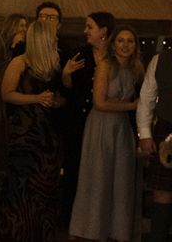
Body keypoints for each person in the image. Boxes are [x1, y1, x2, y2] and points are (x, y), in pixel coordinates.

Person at [69, 25, 144, 242]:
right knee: (98, 177)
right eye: (121, 40)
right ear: (113, 43)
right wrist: (132, 106)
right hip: (101, 126)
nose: (125, 45)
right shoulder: (104, 66)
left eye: (130, 41)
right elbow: (100, 102)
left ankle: (117, 230)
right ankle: (92, 229)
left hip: (121, 127)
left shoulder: (137, 68)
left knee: (121, 179)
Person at [0, 20, 65, 242]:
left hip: (48, 139)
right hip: (25, 137)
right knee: (21, 191)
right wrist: (35, 98)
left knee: (45, 192)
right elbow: (6, 94)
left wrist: (56, 101)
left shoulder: (55, 65)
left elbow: (63, 99)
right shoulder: (20, 62)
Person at [60, 11, 114, 224]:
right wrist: (66, 74)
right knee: (75, 169)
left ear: (104, 31)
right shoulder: (80, 54)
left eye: (89, 27)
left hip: (106, 122)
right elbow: (69, 91)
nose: (85, 31)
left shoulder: (115, 56)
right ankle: (72, 220)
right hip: (79, 122)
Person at [138, 37, 172, 242]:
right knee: (162, 193)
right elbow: (146, 99)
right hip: (166, 130)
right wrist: (145, 134)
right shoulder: (160, 60)